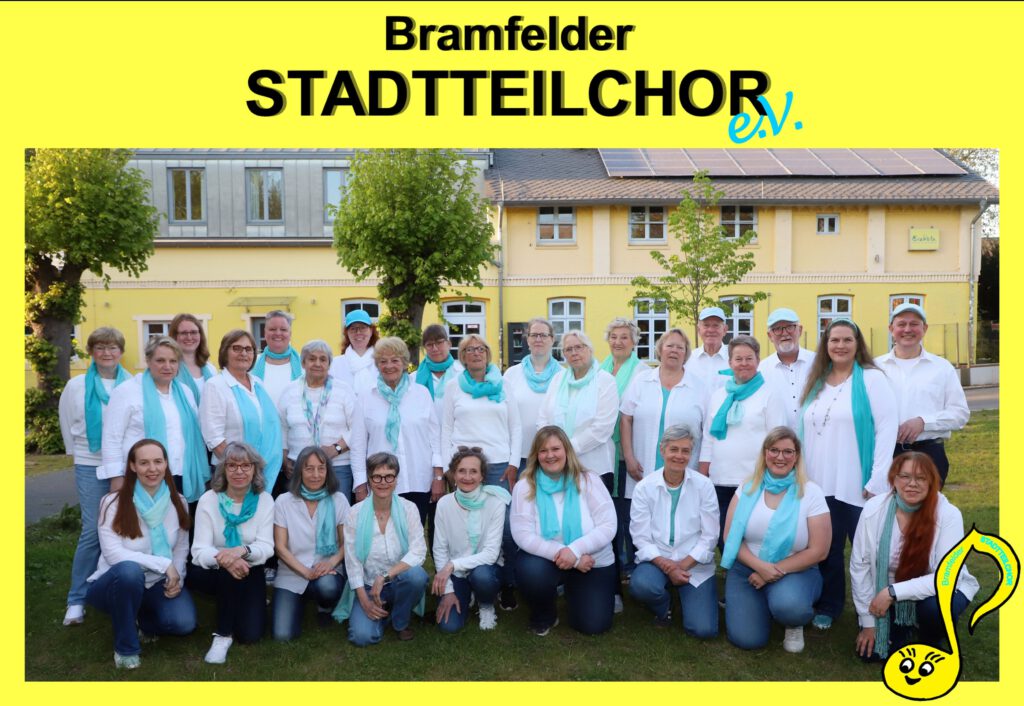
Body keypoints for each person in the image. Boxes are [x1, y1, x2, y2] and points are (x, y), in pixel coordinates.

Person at [799, 318, 898, 630]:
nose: (840, 345)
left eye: (847, 340)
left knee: (867, 550)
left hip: (858, 482)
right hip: (818, 482)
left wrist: (878, 478)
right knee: (826, 548)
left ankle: (875, 609)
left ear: (858, 345)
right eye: (834, 340)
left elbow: (887, 428)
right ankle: (829, 605)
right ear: (825, 345)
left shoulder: (871, 378)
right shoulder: (816, 380)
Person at [850, 452, 979, 661]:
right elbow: (860, 565)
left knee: (936, 609)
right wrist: (868, 624)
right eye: (905, 476)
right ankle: (904, 626)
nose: (912, 484)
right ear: (893, 479)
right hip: (885, 589)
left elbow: (946, 577)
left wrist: (892, 592)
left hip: (936, 591)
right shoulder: (874, 509)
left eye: (921, 478)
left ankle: (930, 639)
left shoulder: (948, 514)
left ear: (932, 482)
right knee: (873, 655)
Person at [85, 439, 196, 669]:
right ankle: (125, 648)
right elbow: (113, 554)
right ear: (133, 466)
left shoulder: (178, 502)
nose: (152, 469)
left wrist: (177, 578)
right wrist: (164, 564)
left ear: (166, 464)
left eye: (158, 461)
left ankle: (140, 619)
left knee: (184, 623)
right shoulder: (112, 502)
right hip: (115, 583)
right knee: (129, 571)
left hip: (157, 582)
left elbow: (180, 548)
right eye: (144, 463)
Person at [721, 427, 831, 653]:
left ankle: (793, 622)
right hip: (747, 569)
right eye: (774, 450)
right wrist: (760, 567)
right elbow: (730, 537)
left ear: (796, 456)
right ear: (765, 453)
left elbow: (819, 550)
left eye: (788, 451)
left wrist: (771, 571)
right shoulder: (747, 487)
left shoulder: (811, 492)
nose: (780, 457)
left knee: (790, 607)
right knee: (747, 640)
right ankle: (761, 605)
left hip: (795, 570)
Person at [510, 426, 617, 636]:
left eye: (555, 449)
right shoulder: (525, 486)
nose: (550, 455)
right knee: (531, 572)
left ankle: (574, 593)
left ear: (567, 451)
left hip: (592, 561)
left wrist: (575, 550)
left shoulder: (589, 480)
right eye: (543, 450)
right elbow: (523, 535)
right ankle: (545, 614)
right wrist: (572, 558)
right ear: (536, 455)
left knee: (593, 626)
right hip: (550, 561)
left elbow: (608, 526)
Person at [58, 326, 131, 627]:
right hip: (90, 463)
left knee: (125, 528)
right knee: (92, 530)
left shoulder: (132, 384)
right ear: (90, 351)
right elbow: (66, 422)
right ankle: (76, 599)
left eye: (112, 347)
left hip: (126, 465)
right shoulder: (76, 386)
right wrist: (75, 454)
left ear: (121, 351)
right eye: (100, 347)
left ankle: (117, 588)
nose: (106, 353)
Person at [442, 334, 522, 609]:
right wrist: (449, 467)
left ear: (487, 354)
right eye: (469, 349)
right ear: (462, 357)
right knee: (468, 528)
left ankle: (507, 584)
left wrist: (513, 464)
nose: (475, 353)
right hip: (465, 467)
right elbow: (446, 428)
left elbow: (516, 427)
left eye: (480, 349)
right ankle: (469, 580)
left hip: (499, 466)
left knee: (507, 530)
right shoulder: (453, 387)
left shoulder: (504, 385)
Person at [188, 441, 275, 664]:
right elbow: (199, 550)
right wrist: (225, 559)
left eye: (246, 466)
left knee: (250, 635)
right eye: (232, 465)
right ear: (223, 470)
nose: (239, 471)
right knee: (228, 572)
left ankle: (244, 601)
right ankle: (223, 635)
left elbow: (267, 547)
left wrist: (241, 551)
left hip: (250, 567)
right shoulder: (209, 499)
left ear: (255, 469)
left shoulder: (265, 500)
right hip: (211, 570)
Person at [628, 425, 719, 638]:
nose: (679, 456)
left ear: (691, 453)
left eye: (685, 450)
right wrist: (668, 567)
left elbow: (710, 536)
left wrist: (682, 566)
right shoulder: (644, 487)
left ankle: (681, 592)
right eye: (674, 449)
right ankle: (664, 606)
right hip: (657, 560)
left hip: (693, 563)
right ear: (662, 450)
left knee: (703, 630)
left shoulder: (704, 485)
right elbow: (640, 537)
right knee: (642, 586)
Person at [334, 452, 429, 646]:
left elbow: (419, 551)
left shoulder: (409, 509)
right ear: (369, 480)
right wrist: (364, 601)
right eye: (377, 477)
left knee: (417, 576)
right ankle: (385, 612)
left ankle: (400, 621)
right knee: (361, 637)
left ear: (396, 479)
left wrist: (385, 576)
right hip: (369, 585)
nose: (383, 482)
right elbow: (352, 561)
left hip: (399, 581)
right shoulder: (354, 513)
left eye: (389, 476)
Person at [101, 337, 208, 504]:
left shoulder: (185, 392)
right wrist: (116, 477)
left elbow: (194, 434)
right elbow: (111, 438)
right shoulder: (127, 391)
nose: (167, 366)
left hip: (183, 475)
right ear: (148, 360)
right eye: (160, 360)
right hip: (141, 477)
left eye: (173, 361)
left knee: (182, 519)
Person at [699, 335, 786, 541]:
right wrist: (703, 475)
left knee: (752, 535)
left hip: (754, 480)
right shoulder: (719, 395)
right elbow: (708, 438)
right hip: (720, 478)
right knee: (722, 535)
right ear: (730, 362)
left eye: (749, 358)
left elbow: (778, 441)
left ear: (758, 360)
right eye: (738, 359)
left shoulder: (769, 394)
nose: (744, 363)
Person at [350, 337, 442, 530]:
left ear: (405, 363)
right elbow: (358, 445)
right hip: (381, 483)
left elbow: (435, 439)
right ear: (377, 365)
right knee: (383, 536)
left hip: (418, 479)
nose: (389, 366)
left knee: (414, 534)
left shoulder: (421, 394)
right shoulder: (366, 397)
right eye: (383, 361)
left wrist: (438, 477)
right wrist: (360, 485)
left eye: (395, 360)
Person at [875, 303, 970, 486]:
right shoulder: (874, 367)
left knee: (925, 504)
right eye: (901, 324)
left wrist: (923, 422)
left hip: (929, 453)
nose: (907, 329)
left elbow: (960, 413)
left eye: (914, 324)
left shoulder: (942, 368)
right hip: (885, 454)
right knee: (883, 503)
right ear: (891, 329)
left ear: (924, 328)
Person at [271, 446, 349, 641]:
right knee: (282, 636)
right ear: (299, 471)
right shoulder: (283, 501)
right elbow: (280, 547)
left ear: (328, 471)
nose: (316, 475)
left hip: (327, 570)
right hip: (291, 573)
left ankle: (325, 606)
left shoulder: (339, 500)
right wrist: (305, 572)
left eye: (321, 469)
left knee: (327, 588)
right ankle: (299, 598)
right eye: (309, 469)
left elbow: (347, 543)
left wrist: (330, 563)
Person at [620, 328, 707, 500]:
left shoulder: (699, 387)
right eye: (669, 346)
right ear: (660, 350)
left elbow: (708, 432)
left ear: (686, 354)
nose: (674, 350)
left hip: (684, 471)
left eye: (680, 347)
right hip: (642, 470)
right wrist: (629, 458)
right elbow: (626, 418)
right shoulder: (641, 381)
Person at [432, 446, 509, 633]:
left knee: (481, 576)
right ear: (453, 474)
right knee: (449, 626)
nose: (467, 477)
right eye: (462, 471)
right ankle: (466, 593)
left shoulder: (495, 502)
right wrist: (448, 591)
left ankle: (486, 604)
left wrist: (452, 565)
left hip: (485, 569)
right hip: (457, 573)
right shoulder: (444, 504)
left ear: (482, 476)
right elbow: (440, 549)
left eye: (473, 471)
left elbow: (491, 554)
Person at [199, 329, 284, 495]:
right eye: (236, 348)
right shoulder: (215, 386)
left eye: (248, 349)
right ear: (225, 352)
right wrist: (242, 469)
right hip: (232, 476)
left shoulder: (258, 384)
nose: (243, 353)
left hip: (263, 473)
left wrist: (255, 470)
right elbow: (214, 438)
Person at [278, 339, 359, 501]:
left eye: (323, 359)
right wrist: (284, 458)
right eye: (312, 359)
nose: (317, 363)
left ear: (329, 364)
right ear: (303, 363)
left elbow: (358, 428)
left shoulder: (343, 390)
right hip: (299, 467)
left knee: (337, 512)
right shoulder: (289, 391)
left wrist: (336, 448)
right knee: (301, 513)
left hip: (337, 467)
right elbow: (282, 428)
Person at [537, 330, 618, 487]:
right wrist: (552, 448)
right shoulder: (557, 379)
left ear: (589, 349)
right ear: (564, 355)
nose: (574, 353)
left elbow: (602, 428)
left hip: (593, 467)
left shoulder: (605, 380)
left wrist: (565, 449)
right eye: (568, 349)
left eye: (579, 347)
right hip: (556, 466)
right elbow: (543, 418)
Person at [598, 318, 646, 580]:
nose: (618, 342)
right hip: (602, 450)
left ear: (634, 341)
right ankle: (613, 563)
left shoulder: (641, 372)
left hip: (628, 450)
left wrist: (629, 454)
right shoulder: (600, 369)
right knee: (607, 510)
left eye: (624, 337)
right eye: (614, 337)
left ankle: (631, 565)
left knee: (628, 513)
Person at [503, 317, 562, 471]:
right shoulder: (511, 374)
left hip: (553, 456)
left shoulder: (563, 376)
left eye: (543, 335)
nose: (538, 339)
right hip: (518, 456)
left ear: (552, 339)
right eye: (534, 335)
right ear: (527, 339)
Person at [758, 308, 815, 429]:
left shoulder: (817, 363)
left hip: (814, 437)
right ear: (770, 336)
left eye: (790, 327)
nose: (784, 333)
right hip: (777, 439)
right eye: (777, 329)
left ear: (800, 330)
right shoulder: (761, 370)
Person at [252, 309, 302, 408]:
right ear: (265, 333)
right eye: (272, 329)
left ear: (290, 334)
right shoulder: (252, 364)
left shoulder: (304, 365)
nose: (278, 333)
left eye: (283, 329)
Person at [415, 324, 464, 418]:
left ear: (449, 344)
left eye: (439, 343)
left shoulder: (462, 374)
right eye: (429, 345)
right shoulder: (414, 378)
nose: (435, 348)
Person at [169, 313, 217, 405]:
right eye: (184, 333)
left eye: (194, 332)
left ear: (200, 335)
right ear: (174, 336)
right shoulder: (169, 369)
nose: (189, 337)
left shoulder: (211, 369)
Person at [329, 309, 380, 396]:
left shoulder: (382, 362)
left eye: (363, 328)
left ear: (371, 331)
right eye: (353, 329)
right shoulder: (335, 364)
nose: (358, 332)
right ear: (347, 333)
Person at [685, 306, 730, 392]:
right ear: (698, 330)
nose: (711, 330)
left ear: (725, 330)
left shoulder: (735, 359)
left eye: (716, 325)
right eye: (706, 325)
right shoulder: (688, 359)